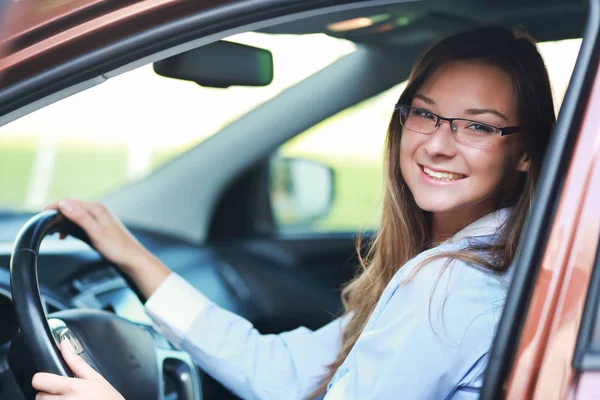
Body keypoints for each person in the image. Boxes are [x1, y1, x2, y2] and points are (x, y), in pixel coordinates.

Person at [31, 25, 555, 399]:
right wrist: (129, 254)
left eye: (479, 125)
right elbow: (280, 372)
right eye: (425, 113)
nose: (439, 145)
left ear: (527, 152)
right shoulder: (476, 263)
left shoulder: (448, 286)